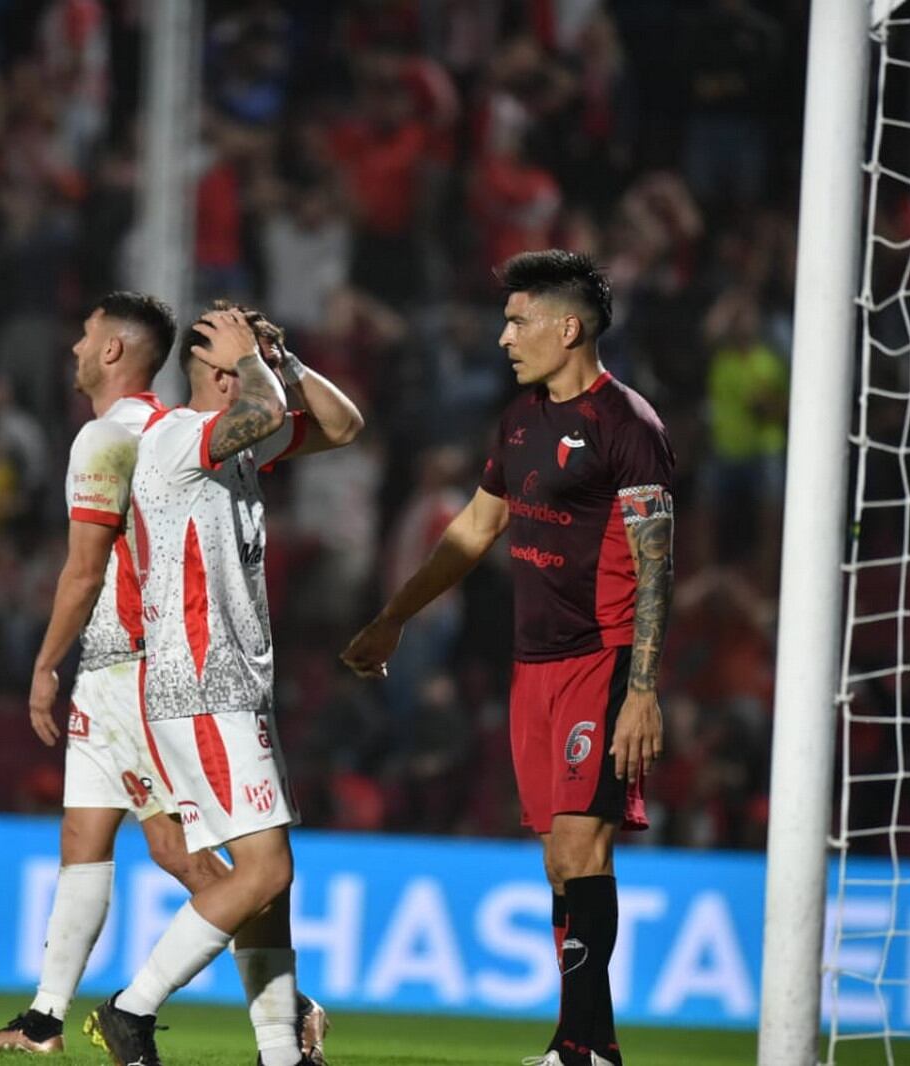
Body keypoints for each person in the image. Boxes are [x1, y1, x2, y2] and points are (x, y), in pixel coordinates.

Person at [0, 294, 328, 1061]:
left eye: (84, 335)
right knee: (107, 838)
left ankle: (263, 1016)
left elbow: (84, 566)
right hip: (140, 669)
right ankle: (47, 1018)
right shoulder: (172, 432)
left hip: (141, 664)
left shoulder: (130, 437)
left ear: (113, 352)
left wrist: (42, 665)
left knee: (213, 858)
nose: (71, 347)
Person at [342, 251, 674, 1066]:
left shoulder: (628, 426)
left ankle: (580, 1050)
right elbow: (472, 532)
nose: (504, 337)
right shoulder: (520, 420)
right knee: (558, 862)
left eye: (519, 320)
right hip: (534, 665)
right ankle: (589, 1043)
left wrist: (643, 690)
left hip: (602, 656)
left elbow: (658, 562)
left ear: (570, 328)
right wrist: (394, 618)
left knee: (578, 848)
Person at [85, 306, 364, 1066]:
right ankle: (130, 1007)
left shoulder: (237, 448)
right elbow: (266, 407)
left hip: (236, 684)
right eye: (246, 360)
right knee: (268, 869)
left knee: (266, 886)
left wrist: (290, 359)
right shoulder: (178, 438)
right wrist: (257, 363)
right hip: (200, 682)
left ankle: (281, 1053)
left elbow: (343, 427)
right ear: (221, 375)